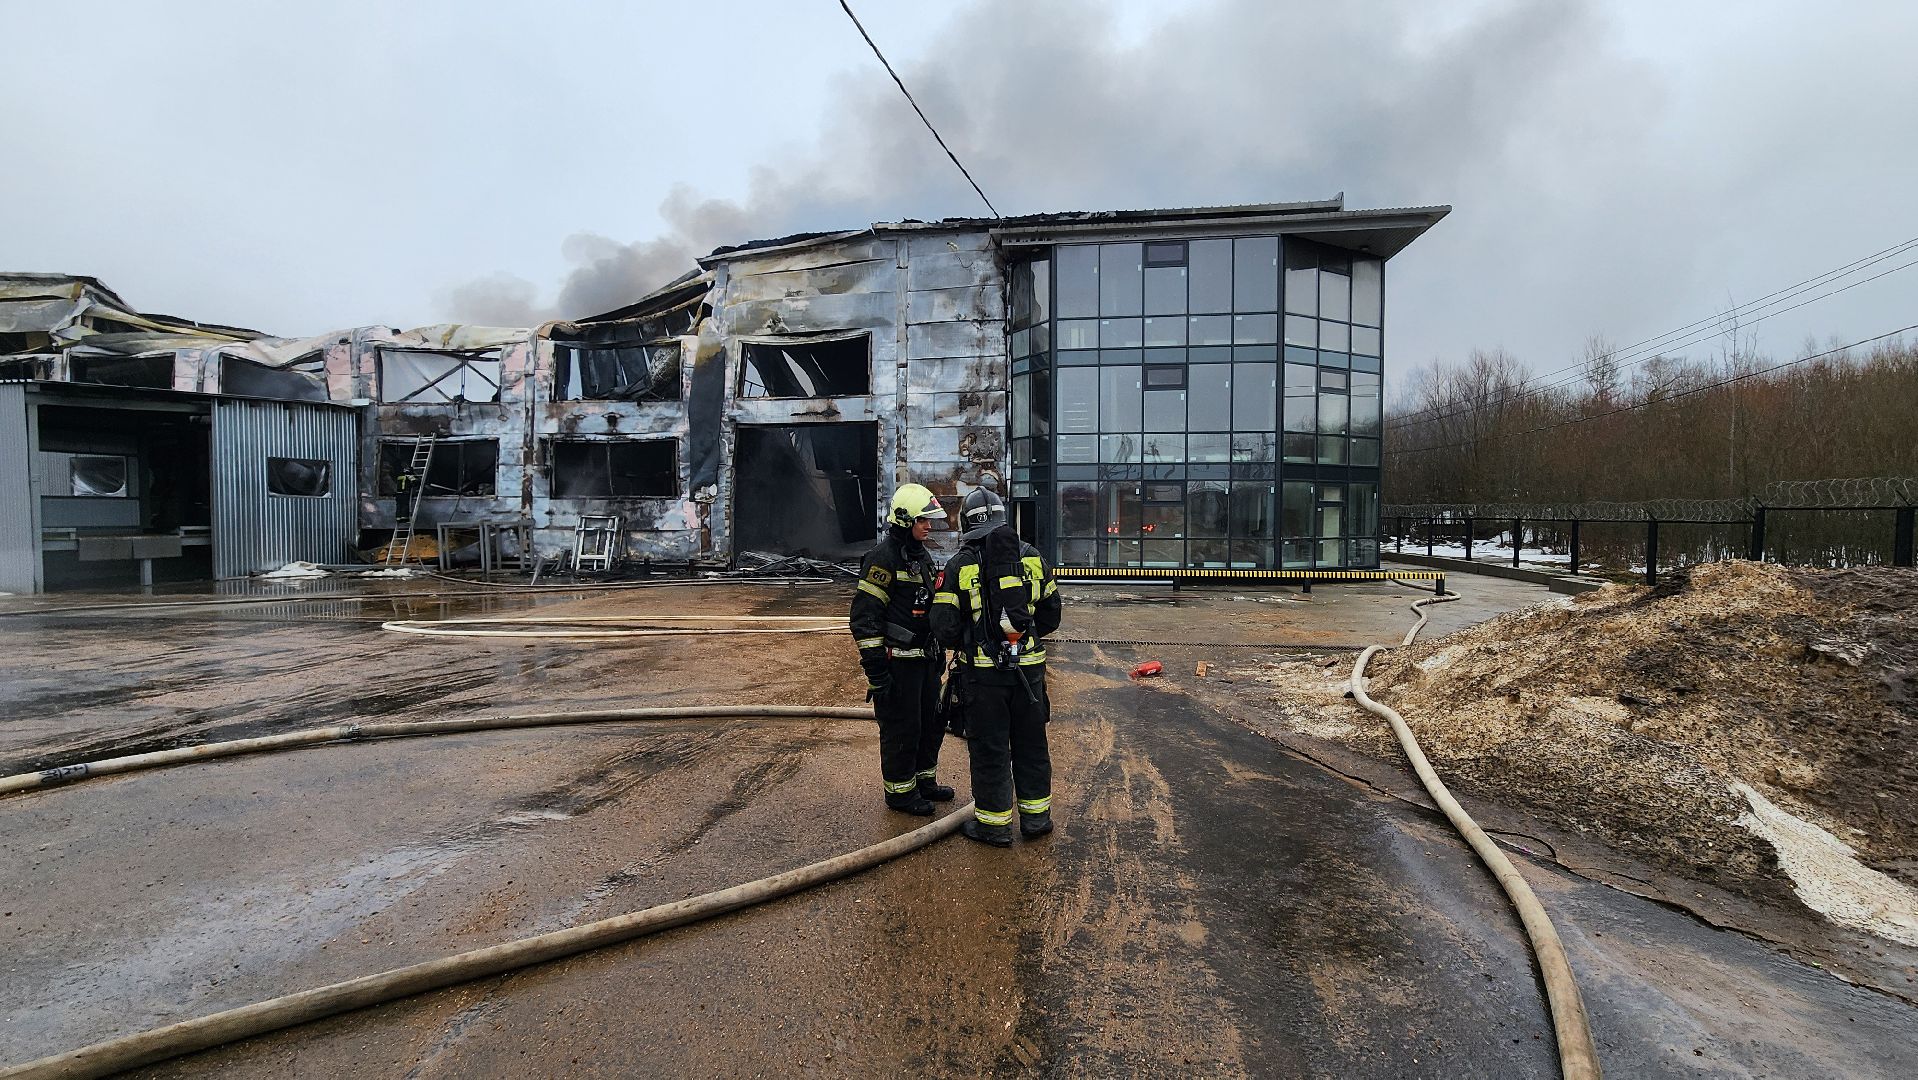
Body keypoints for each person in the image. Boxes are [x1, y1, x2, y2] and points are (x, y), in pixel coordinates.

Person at [930, 481, 1061, 847]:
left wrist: (974, 639)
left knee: (990, 750)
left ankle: (994, 827)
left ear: (966, 524)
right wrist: (1022, 638)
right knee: (1032, 746)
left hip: (983, 678)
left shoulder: (959, 566)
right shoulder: (1032, 558)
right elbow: (1051, 616)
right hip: (1029, 674)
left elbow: (944, 628)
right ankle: (1036, 820)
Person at [850, 483, 953, 816]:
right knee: (902, 730)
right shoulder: (882, 559)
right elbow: (865, 620)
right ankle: (900, 794)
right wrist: (877, 672)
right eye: (923, 520)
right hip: (898, 665)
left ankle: (924, 782)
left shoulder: (921, 556)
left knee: (930, 725)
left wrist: (938, 651)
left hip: (925, 662)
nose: (929, 526)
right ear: (905, 520)